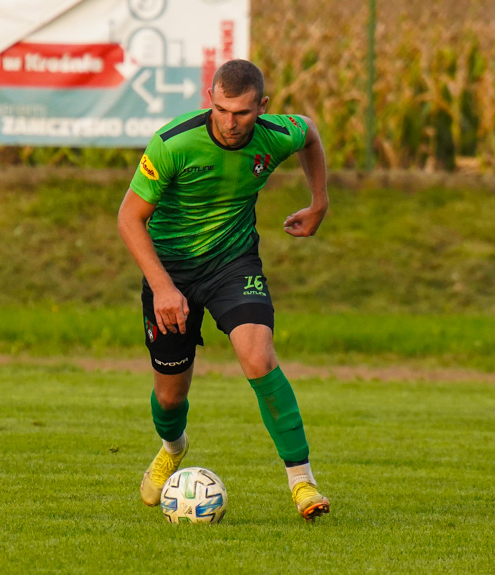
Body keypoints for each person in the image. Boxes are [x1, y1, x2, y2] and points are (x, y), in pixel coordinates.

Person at [118, 59, 330, 520]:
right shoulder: (173, 143)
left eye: (242, 113)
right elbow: (129, 217)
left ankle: (302, 483)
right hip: (170, 271)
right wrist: (162, 288)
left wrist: (319, 202)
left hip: (233, 263)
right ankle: (172, 447)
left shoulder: (277, 133)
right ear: (209, 99)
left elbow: (310, 133)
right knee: (171, 394)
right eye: (221, 110)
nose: (230, 123)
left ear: (263, 108)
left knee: (259, 356)